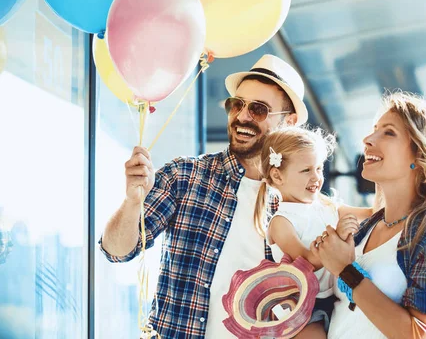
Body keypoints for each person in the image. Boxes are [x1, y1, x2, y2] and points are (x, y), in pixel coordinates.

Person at [98, 54, 310, 338]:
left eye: (258, 109)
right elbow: (116, 250)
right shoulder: (184, 176)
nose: (243, 116)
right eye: (237, 105)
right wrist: (132, 201)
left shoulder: (297, 202)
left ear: (290, 121)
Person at [312, 92, 426, 338]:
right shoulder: (366, 228)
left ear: (419, 155)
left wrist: (346, 270)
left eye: (388, 132)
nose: (367, 139)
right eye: (374, 130)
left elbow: (418, 335)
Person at [253, 126, 372, 338]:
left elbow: (371, 213)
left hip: (335, 296)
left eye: (319, 168)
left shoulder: (327, 206)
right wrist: (339, 235)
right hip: (302, 305)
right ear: (278, 176)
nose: (316, 176)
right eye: (306, 170)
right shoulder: (281, 222)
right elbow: (307, 262)